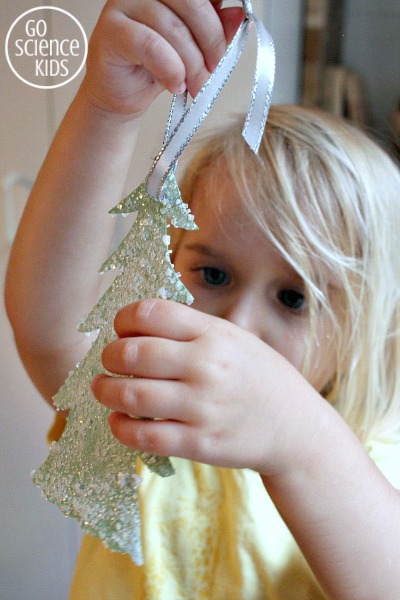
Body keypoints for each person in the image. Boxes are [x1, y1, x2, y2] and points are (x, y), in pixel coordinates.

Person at [5, 1, 400, 598]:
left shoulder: (376, 461)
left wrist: (302, 443)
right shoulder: (146, 410)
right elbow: (48, 327)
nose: (236, 328)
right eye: (212, 276)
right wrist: (109, 110)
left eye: (293, 298)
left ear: (370, 327)